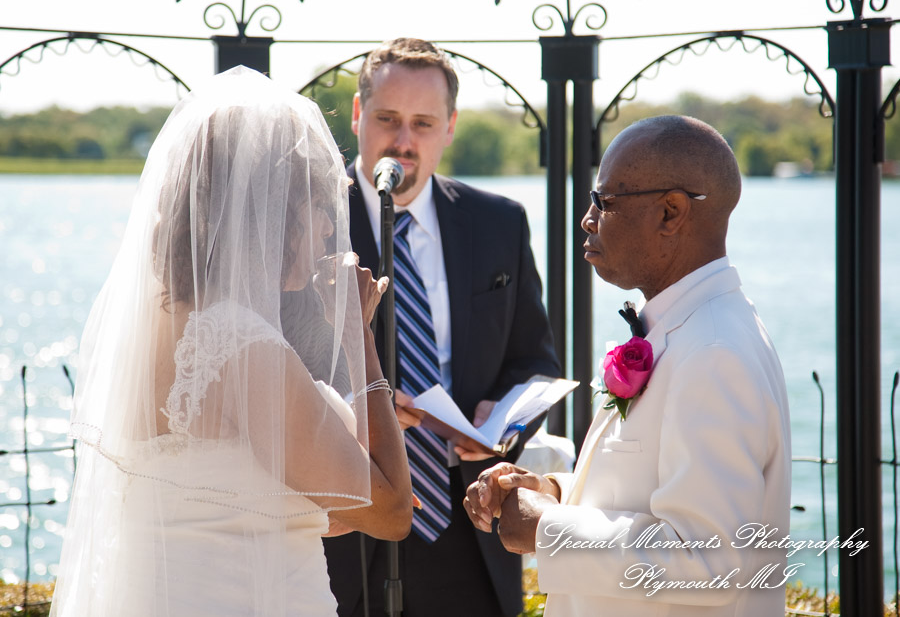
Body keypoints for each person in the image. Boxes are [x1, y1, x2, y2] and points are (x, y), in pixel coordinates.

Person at [50, 66, 412, 617]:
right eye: (315, 208)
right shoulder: (239, 346)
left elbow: (256, 494)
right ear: (271, 212)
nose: (324, 231)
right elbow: (389, 511)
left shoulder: (150, 322)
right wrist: (358, 334)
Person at [464, 115, 792, 616]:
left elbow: (712, 561)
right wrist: (549, 489)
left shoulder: (714, 353)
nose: (588, 219)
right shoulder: (687, 328)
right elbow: (647, 497)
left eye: (604, 201)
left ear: (670, 212)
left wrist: (547, 529)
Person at [323, 38, 560, 617]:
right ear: (358, 116)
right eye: (387, 119)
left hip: (469, 520)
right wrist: (365, 409)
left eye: (423, 123)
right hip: (343, 523)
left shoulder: (499, 221)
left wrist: (499, 428)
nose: (403, 141)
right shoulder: (310, 217)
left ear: (450, 127)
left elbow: (536, 361)